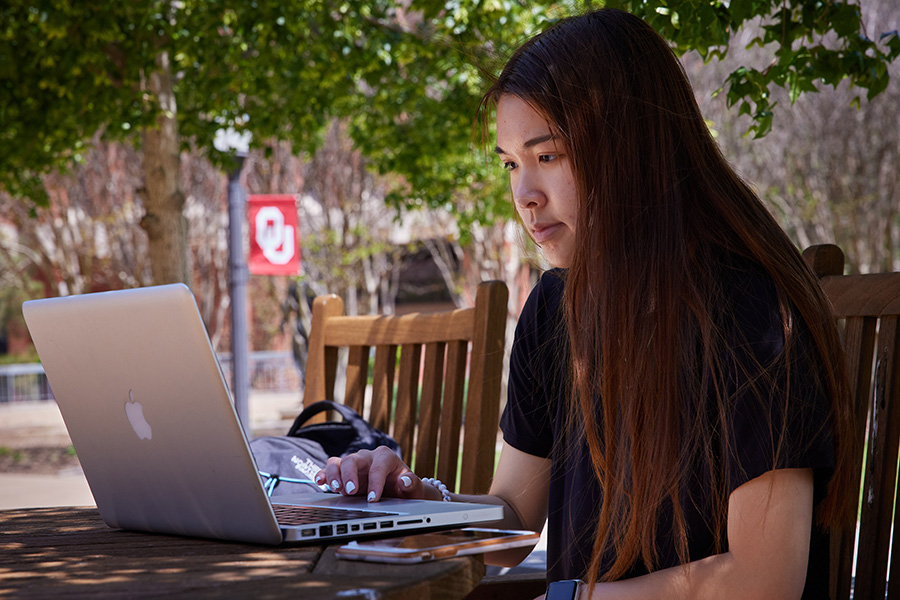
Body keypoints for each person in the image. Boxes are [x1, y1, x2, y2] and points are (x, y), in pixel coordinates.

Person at [316, 8, 857, 599]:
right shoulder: (555, 309)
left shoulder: (747, 312)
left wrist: (575, 597)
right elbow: (515, 519)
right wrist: (413, 500)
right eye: (510, 164)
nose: (523, 195)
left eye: (547, 156)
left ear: (634, 148)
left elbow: (764, 580)